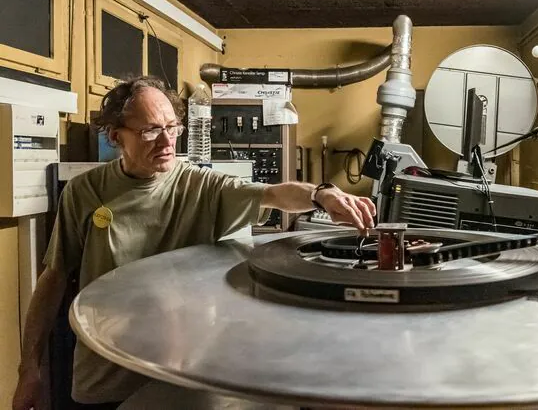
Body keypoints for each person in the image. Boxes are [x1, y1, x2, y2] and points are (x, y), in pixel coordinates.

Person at [13, 76, 376, 410]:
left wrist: (323, 195)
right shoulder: (83, 191)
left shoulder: (200, 186)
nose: (168, 141)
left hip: (182, 373)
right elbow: (54, 278)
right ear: (115, 136)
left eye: (173, 127)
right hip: (106, 375)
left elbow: (275, 195)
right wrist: (29, 367)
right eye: (151, 130)